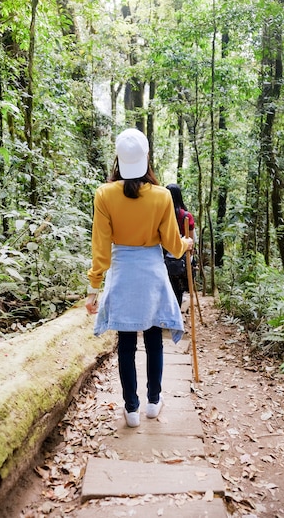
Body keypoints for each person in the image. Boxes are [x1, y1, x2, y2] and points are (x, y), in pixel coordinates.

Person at [85, 128, 193, 429]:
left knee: (126, 343)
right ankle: (154, 403)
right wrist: (186, 245)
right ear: (147, 158)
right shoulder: (161, 196)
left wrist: (93, 290)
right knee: (154, 342)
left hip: (122, 274)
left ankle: (131, 408)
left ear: (118, 161)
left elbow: (101, 247)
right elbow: (173, 245)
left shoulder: (104, 194)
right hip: (152, 274)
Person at [164, 184, 195, 307]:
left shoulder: (163, 215)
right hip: (182, 257)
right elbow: (191, 240)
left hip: (164, 256)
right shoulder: (186, 216)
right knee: (179, 289)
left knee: (169, 287)